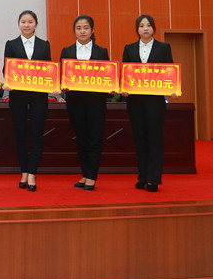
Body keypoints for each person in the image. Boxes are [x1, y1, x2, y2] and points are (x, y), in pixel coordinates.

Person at [122, 15, 174, 192]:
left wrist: (173, 88)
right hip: (135, 101)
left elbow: (170, 71)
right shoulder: (129, 48)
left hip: (155, 101)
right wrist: (124, 88)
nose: (145, 28)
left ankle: (153, 179)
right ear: (137, 29)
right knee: (140, 139)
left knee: (155, 138)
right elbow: (125, 72)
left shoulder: (164, 47)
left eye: (149, 25)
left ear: (154, 28)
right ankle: (142, 176)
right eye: (142, 26)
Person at [3, 10, 52, 192]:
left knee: (37, 133)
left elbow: (49, 69)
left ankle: (32, 172)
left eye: (30, 22)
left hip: (39, 96)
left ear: (36, 24)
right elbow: (6, 69)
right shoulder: (11, 44)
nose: (26, 25)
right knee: (20, 134)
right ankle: (23, 171)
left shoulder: (44, 45)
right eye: (23, 22)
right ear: (19, 24)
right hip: (18, 96)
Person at [60, 15, 110, 192]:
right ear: (74, 31)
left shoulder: (101, 52)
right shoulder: (67, 51)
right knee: (81, 139)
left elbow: (108, 76)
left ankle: (92, 176)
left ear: (92, 30)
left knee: (95, 138)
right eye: (79, 28)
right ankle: (85, 173)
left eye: (86, 28)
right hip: (75, 102)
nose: (82, 31)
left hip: (96, 102)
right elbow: (61, 76)